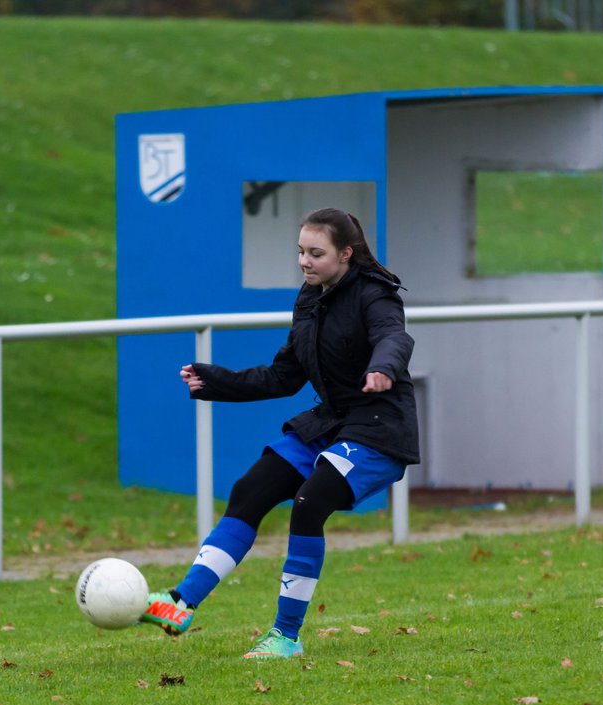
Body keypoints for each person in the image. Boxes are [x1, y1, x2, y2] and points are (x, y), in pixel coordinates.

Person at [139, 207, 420, 659]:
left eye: (316, 253)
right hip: (332, 422)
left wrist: (383, 367)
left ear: (346, 254)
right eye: (300, 252)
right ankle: (180, 602)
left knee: (309, 504)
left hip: (378, 430)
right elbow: (283, 376)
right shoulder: (309, 299)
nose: (305, 262)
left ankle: (286, 637)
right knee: (250, 489)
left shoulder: (376, 294)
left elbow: (396, 338)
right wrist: (217, 381)